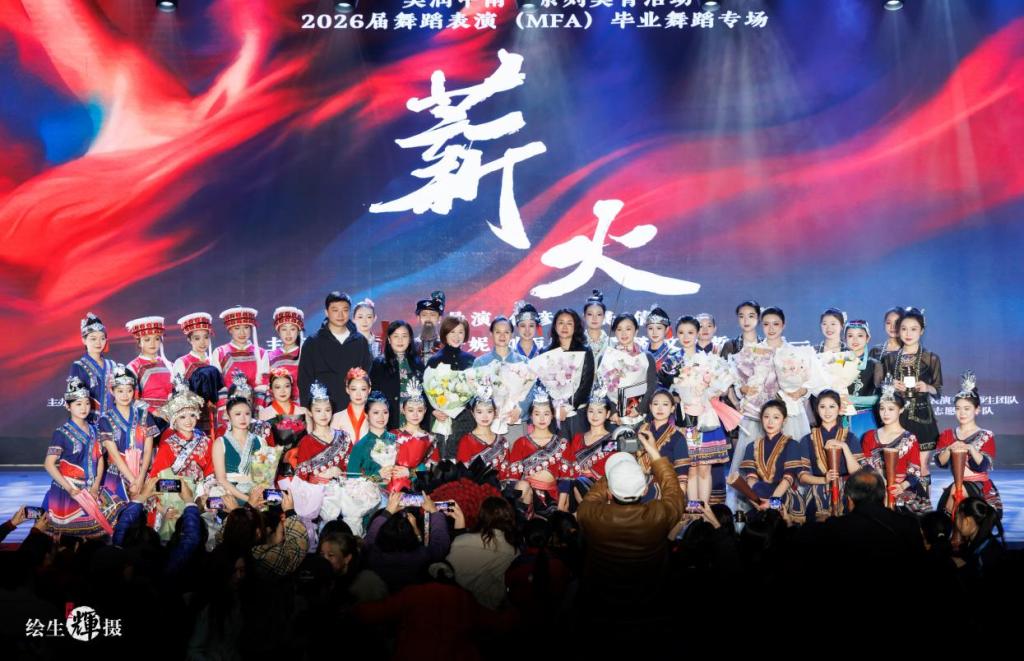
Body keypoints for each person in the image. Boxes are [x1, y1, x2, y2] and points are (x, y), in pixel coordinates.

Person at [575, 418, 685, 627]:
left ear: (609, 492)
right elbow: (673, 490)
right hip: (650, 604)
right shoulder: (658, 515)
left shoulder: (590, 515)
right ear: (645, 490)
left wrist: (617, 470)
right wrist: (653, 452)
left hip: (603, 606)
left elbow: (592, 498)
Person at [43, 377, 124, 537]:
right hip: (69, 490)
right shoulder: (61, 433)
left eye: (87, 403)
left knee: (112, 519)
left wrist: (95, 487)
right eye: (78, 404)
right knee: (68, 539)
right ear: (68, 406)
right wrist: (70, 489)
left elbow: (99, 459)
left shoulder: (95, 430)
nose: (84, 408)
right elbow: (49, 464)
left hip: (92, 488)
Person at [876, 306, 942, 496]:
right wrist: (890, 386)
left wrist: (926, 387)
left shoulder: (931, 358)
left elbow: (938, 390)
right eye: (904, 328)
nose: (908, 333)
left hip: (923, 418)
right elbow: (880, 388)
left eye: (913, 329)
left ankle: (924, 505)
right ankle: (895, 506)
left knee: (922, 466)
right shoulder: (889, 359)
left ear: (921, 331)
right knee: (896, 466)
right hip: (896, 419)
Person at [935, 372, 1001, 516]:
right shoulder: (947, 434)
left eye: (967, 408)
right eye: (958, 408)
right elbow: (940, 462)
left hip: (979, 486)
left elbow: (983, 465)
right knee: (942, 515)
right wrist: (949, 449)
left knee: (957, 491)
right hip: (957, 483)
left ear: (977, 410)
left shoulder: (986, 436)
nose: (962, 413)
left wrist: (971, 448)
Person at [860, 381, 931, 513]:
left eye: (891, 409)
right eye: (882, 408)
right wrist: (882, 484)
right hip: (876, 488)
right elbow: (865, 465)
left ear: (901, 409)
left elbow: (915, 471)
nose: (885, 413)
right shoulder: (869, 436)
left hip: (904, 488)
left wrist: (901, 486)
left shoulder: (910, 438)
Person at [364, 491, 454, 594]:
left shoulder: (372, 556)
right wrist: (434, 512)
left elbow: (370, 536)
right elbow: (440, 543)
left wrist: (387, 512)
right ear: (412, 538)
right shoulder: (422, 556)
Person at [298, 291, 373, 410]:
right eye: (335, 310)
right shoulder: (312, 342)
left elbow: (367, 376)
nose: (340, 315)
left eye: (345, 310)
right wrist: (307, 409)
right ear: (326, 312)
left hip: (354, 410)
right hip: (322, 412)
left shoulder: (360, 342)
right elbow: (304, 380)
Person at [502, 394, 573, 515]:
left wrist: (561, 506)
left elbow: (565, 478)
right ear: (531, 416)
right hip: (527, 494)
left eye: (546, 414)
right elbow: (513, 477)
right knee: (522, 485)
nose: (542, 418)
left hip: (552, 496)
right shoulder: (521, 442)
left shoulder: (562, 443)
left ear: (552, 415)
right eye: (537, 414)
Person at [797, 390, 864, 518]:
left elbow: (858, 472)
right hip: (817, 492)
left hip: (847, 493)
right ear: (817, 410)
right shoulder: (807, 439)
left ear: (839, 409)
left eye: (832, 406)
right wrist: (824, 479)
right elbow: (802, 476)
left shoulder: (850, 437)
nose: (827, 411)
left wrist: (844, 446)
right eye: (822, 407)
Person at [98, 363, 159, 502]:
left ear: (134, 391)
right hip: (117, 475)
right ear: (112, 391)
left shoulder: (144, 415)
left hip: (143, 472)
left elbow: (148, 451)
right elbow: (114, 455)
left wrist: (140, 478)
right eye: (120, 391)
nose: (125, 395)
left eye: (129, 390)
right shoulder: (105, 420)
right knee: (118, 510)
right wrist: (133, 481)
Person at [737, 400, 808, 517]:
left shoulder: (792, 444)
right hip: (759, 498)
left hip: (783, 497)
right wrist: (756, 501)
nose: (770, 422)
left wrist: (772, 503)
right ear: (761, 419)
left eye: (776, 417)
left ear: (784, 420)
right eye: (766, 417)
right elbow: (751, 478)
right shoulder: (752, 446)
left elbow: (788, 479)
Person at [446, 497, 516, 610]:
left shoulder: (460, 541)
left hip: (458, 607)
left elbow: (449, 573)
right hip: (491, 612)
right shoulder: (514, 553)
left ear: (481, 516)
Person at [427, 315, 477, 459]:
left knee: (465, 458)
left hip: (465, 418)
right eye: (452, 332)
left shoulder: (471, 360)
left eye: (460, 332)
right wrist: (433, 410)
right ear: (445, 333)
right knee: (443, 460)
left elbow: (477, 389)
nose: (456, 336)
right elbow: (426, 390)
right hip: (442, 417)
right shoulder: (434, 360)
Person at [540, 308, 595, 438]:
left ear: (575, 327)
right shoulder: (545, 352)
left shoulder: (585, 351)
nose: (565, 327)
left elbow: (586, 385)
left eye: (569, 323)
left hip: (578, 412)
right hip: (554, 413)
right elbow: (542, 385)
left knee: (579, 448)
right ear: (555, 326)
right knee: (556, 448)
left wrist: (568, 406)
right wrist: (555, 406)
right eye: (561, 323)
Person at [212, 379, 269, 503]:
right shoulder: (220, 443)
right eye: (237, 414)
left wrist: (256, 497)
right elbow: (221, 479)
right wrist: (248, 499)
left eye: (247, 414)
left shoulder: (261, 441)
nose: (243, 418)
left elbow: (263, 478)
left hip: (255, 492)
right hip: (230, 493)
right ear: (228, 416)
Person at [473, 315, 530, 439]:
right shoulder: (481, 362)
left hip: (514, 419)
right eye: (498, 332)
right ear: (491, 334)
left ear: (512, 335)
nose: (502, 336)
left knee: (516, 451)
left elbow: (531, 390)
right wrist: (487, 410)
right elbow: (473, 392)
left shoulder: (523, 361)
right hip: (488, 421)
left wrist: (520, 409)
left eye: (506, 332)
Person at [600, 313, 658, 426]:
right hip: (614, 417)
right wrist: (612, 410)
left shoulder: (646, 356)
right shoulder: (607, 356)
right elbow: (601, 386)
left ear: (636, 331)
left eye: (628, 329)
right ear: (614, 332)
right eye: (619, 329)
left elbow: (652, 386)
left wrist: (639, 408)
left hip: (639, 416)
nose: (624, 333)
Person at [212, 306, 270, 414]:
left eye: (246, 327)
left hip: (255, 409)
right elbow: (217, 385)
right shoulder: (220, 352)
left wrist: (257, 409)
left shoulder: (261, 353)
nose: (242, 332)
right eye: (237, 328)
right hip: (228, 410)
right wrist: (226, 410)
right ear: (230, 329)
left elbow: (263, 384)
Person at [293, 381, 354, 483]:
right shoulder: (306, 442)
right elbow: (301, 478)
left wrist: (339, 472)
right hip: (317, 491)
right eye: (318, 411)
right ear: (310, 412)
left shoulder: (343, 436)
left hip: (343, 489)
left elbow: (353, 468)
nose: (323, 415)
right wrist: (319, 478)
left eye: (327, 410)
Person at [370, 320, 426, 430]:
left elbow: (424, 397)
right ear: (389, 339)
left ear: (409, 339)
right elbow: (373, 397)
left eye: (404, 336)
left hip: (414, 425)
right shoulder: (379, 364)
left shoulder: (418, 364)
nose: (400, 340)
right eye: (396, 336)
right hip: (387, 424)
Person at [636, 388, 691, 495]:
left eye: (665, 404)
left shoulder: (677, 437)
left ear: (672, 408)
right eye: (656, 404)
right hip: (637, 485)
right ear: (650, 407)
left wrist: (678, 500)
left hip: (664, 487)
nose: (660, 408)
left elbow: (682, 474)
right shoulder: (640, 431)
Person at [568, 388, 617, 505]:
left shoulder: (611, 441)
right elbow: (569, 465)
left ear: (607, 414)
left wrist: (588, 473)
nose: (594, 415)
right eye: (591, 411)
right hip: (574, 487)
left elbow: (609, 472)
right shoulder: (578, 438)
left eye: (599, 411)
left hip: (597, 493)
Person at [390, 378, 440, 491]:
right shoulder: (393, 435)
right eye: (410, 410)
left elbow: (434, 470)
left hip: (420, 489)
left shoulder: (430, 438)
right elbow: (383, 466)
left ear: (425, 410)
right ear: (403, 410)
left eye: (420, 410)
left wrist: (410, 472)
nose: (415, 414)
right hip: (393, 487)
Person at [258, 367, 308, 477]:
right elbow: (262, 447)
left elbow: (310, 443)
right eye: (277, 387)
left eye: (286, 386)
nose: (283, 391)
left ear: (291, 387)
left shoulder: (303, 411)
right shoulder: (263, 414)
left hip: (300, 466)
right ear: (271, 389)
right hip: (274, 469)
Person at [318, 530, 389, 604]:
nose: (324, 559)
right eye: (322, 554)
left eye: (331, 555)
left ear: (347, 558)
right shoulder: (322, 578)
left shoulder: (367, 583)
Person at [125, 316, 175, 419]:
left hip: (172, 415)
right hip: (147, 417)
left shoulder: (170, 365)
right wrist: (154, 411)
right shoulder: (133, 367)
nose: (152, 343)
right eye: (147, 339)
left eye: (156, 339)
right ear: (139, 342)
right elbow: (131, 399)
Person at [69, 312, 116, 419]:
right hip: (90, 420)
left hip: (112, 421)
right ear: (84, 340)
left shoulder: (112, 365)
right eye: (93, 339)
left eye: (102, 338)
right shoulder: (78, 366)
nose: (98, 343)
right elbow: (75, 400)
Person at [348, 391, 401, 482]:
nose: (381, 417)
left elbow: (413, 471)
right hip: (371, 491)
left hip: (398, 489)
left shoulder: (398, 440)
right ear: (366, 415)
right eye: (376, 412)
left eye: (385, 412)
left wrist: (406, 472)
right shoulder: (360, 446)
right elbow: (351, 480)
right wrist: (377, 476)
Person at [841, 319, 880, 438]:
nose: (855, 340)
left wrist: (854, 400)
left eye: (860, 336)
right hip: (841, 417)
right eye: (850, 336)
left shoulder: (875, 364)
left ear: (868, 338)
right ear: (844, 338)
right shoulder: (838, 361)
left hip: (865, 419)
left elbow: (881, 398)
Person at [456, 397, 510, 470]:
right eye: (479, 412)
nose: (485, 416)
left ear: (495, 413)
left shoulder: (502, 441)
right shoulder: (466, 441)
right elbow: (462, 471)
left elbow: (506, 469)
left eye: (489, 411)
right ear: (473, 413)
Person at [267, 306, 304, 403]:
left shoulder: (306, 354)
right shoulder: (270, 357)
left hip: (301, 405)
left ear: (298, 331)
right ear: (278, 331)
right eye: (284, 329)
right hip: (277, 405)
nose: (288, 334)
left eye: (292, 329)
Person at [330, 367, 372, 442]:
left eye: (363, 389)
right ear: (347, 389)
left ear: (369, 390)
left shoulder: (375, 416)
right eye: (354, 389)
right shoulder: (337, 417)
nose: (358, 394)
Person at [413, 290, 446, 364]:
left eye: (432, 315)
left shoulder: (446, 346)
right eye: (424, 315)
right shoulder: (411, 345)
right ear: (418, 318)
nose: (428, 318)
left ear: (439, 318)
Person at [581, 289, 611, 364]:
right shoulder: (577, 341)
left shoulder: (611, 343)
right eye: (590, 314)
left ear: (604, 317)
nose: (594, 318)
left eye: (599, 314)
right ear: (584, 316)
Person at [645, 306, 677, 371]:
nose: (654, 332)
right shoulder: (640, 352)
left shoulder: (675, 354)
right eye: (650, 328)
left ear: (667, 329)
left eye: (659, 328)